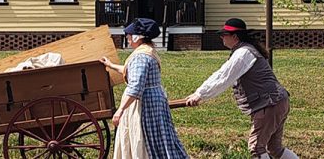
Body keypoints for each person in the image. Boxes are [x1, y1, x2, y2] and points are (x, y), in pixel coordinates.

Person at [185, 18, 297, 159]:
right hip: (278, 102)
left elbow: (223, 77)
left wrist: (200, 94)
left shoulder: (243, 53)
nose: (221, 37)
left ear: (234, 37)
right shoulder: (245, 50)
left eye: (224, 34)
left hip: (269, 104)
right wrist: (199, 93)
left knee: (256, 148)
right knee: (274, 148)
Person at [101, 18, 188, 159]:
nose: (128, 39)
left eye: (129, 36)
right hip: (153, 99)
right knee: (159, 138)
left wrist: (120, 110)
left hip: (145, 104)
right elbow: (131, 72)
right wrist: (111, 65)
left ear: (137, 37)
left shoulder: (140, 56)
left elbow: (135, 87)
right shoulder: (148, 52)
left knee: (145, 138)